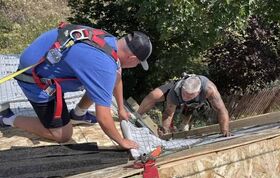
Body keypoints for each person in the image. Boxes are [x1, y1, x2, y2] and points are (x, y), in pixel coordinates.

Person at [0, 23, 152, 149]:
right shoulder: (103, 66)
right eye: (138, 63)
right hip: (34, 79)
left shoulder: (109, 41)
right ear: (132, 58)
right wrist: (122, 141)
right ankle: (7, 117)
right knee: (62, 135)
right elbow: (103, 118)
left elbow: (117, 76)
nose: (135, 65)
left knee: (102, 84)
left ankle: (78, 114)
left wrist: (120, 109)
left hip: (43, 64)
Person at [137, 73, 230, 137]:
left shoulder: (209, 90)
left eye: (190, 95)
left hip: (196, 103)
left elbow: (222, 110)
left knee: (194, 109)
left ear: (198, 92)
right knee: (153, 95)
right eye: (185, 93)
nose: (186, 97)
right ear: (182, 87)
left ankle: (183, 127)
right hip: (177, 96)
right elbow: (168, 114)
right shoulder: (175, 92)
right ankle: (136, 116)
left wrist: (225, 131)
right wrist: (165, 132)